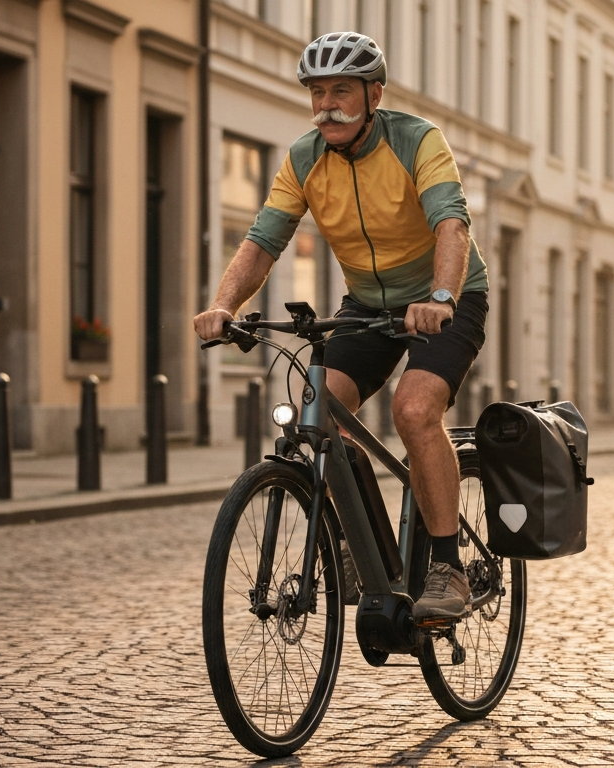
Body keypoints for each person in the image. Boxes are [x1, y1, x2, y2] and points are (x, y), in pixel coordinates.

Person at [193, 32, 489, 621]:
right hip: (367, 306)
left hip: (448, 299)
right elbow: (263, 240)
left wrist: (439, 296)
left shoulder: (417, 140)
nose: (327, 103)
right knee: (319, 413)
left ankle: (446, 565)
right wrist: (222, 305)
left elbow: (450, 225)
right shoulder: (304, 156)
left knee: (414, 410)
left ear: (373, 94)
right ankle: (359, 545)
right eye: (318, 91)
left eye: (342, 90)